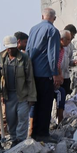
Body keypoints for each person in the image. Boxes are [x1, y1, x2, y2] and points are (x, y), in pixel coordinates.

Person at [26, 7, 61, 142]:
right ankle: (43, 134)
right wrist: (55, 73)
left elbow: (29, 49)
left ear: (42, 17)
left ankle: (34, 132)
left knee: (36, 104)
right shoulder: (52, 31)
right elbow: (53, 55)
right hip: (45, 73)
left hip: (33, 72)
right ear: (54, 18)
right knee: (45, 105)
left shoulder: (33, 29)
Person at [0, 34, 36, 146]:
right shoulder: (0, 57)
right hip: (8, 95)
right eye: (10, 48)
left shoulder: (24, 58)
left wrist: (32, 96)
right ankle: (14, 139)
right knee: (11, 119)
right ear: (6, 47)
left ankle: (20, 141)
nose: (12, 50)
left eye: (14, 47)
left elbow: (30, 78)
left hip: (22, 94)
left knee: (23, 118)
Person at [55, 30, 72, 124]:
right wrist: (55, 76)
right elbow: (53, 63)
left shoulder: (62, 49)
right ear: (62, 39)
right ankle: (59, 120)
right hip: (49, 78)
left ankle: (59, 121)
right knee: (59, 93)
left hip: (62, 77)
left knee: (62, 94)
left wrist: (60, 75)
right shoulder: (55, 49)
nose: (70, 42)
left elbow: (58, 65)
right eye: (68, 39)